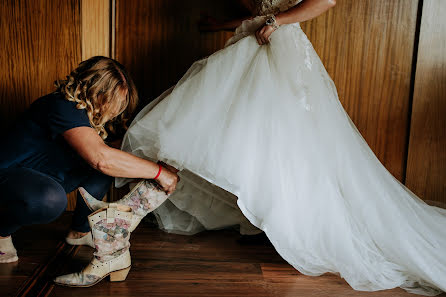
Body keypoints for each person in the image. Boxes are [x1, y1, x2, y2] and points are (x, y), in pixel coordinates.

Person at [115, 0, 446, 295]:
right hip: (252, 46)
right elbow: (263, 9)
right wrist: (226, 24)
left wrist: (278, 22)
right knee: (202, 131)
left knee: (277, 144)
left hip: (279, 51)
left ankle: (119, 221)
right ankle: (121, 219)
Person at [0, 56, 179, 263]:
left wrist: (160, 162)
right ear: (94, 91)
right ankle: (2, 231)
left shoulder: (94, 116)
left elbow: (115, 155)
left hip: (44, 174)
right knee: (52, 198)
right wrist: (158, 172)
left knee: (108, 166)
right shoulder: (62, 105)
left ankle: (80, 232)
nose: (116, 110)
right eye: (113, 101)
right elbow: (101, 158)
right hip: (8, 174)